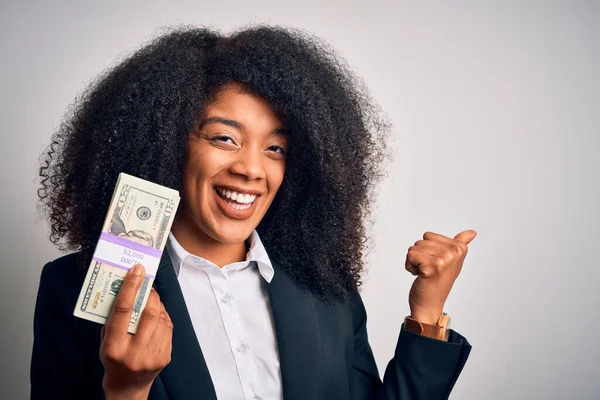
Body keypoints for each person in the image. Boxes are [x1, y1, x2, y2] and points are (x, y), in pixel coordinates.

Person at [32, 25, 476, 400]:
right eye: (224, 138)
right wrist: (126, 390)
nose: (250, 168)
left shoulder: (326, 292)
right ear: (167, 143)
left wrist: (428, 309)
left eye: (276, 148)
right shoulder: (73, 287)